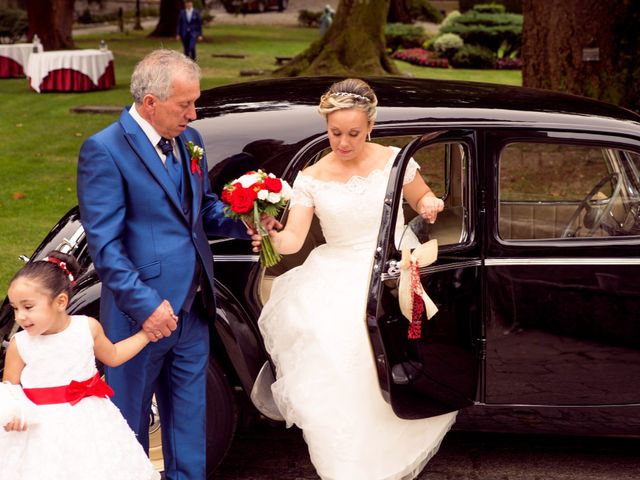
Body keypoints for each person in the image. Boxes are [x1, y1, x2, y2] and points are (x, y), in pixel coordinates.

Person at [76, 49, 267, 480]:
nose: (192, 113)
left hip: (195, 307)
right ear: (150, 103)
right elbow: (105, 246)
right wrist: (146, 307)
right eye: (185, 104)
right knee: (130, 424)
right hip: (138, 320)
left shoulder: (191, 141)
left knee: (189, 424)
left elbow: (200, 212)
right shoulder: (103, 150)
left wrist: (247, 221)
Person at [258, 78, 457, 480]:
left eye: (353, 133)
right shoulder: (311, 178)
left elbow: (421, 198)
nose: (343, 142)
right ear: (326, 127)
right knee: (336, 345)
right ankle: (349, 464)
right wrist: (269, 232)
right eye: (335, 133)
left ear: (370, 126)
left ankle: (393, 439)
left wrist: (430, 203)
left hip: (393, 265)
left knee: (388, 343)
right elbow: (294, 238)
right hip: (336, 271)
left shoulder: (395, 160)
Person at [0, 251, 159, 480]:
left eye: (28, 307)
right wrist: (13, 414)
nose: (20, 317)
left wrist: (145, 335)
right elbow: (10, 388)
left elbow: (113, 355)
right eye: (16, 308)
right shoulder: (20, 344)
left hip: (89, 422)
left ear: (60, 301)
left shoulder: (87, 328)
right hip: (41, 430)